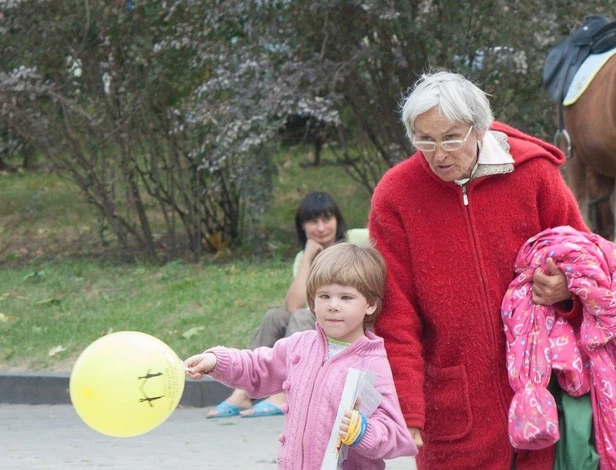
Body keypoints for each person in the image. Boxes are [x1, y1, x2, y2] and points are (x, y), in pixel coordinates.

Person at [368, 71, 589, 470]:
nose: (438, 154)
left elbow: (590, 263)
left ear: (479, 129)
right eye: (424, 140)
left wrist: (567, 290)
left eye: (451, 137)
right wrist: (407, 409)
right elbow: (394, 315)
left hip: (543, 400)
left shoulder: (535, 176)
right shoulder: (394, 196)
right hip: (454, 412)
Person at [185, 243, 418, 468]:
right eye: (324, 296)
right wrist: (217, 361)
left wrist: (363, 432)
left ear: (370, 305)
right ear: (312, 301)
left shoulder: (373, 364)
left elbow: (393, 434)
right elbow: (257, 367)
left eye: (346, 297)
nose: (333, 305)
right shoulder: (299, 346)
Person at [208, 191, 367, 418]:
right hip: (322, 316)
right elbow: (293, 304)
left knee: (301, 317)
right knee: (275, 316)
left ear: (337, 220)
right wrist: (308, 257)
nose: (321, 228)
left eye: (326, 219)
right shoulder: (305, 256)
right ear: (303, 227)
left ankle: (283, 394)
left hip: (351, 315)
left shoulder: (357, 239)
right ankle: (243, 393)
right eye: (313, 221)